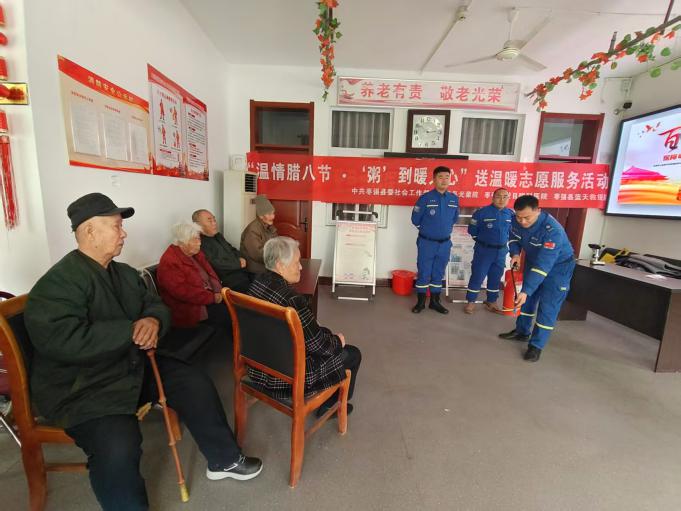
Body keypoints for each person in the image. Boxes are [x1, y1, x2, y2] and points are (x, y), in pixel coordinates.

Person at [24, 193, 262, 511]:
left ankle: (224, 460)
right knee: (118, 444)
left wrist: (152, 320)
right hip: (84, 387)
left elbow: (156, 305)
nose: (124, 233)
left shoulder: (123, 274)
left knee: (193, 382)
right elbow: (61, 339)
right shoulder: (57, 284)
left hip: (130, 365)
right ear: (90, 231)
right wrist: (131, 331)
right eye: (116, 226)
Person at [248, 236, 361, 417]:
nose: (300, 267)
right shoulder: (292, 299)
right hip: (287, 377)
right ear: (280, 266)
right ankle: (331, 406)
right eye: (296, 262)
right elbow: (319, 346)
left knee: (323, 334)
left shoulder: (256, 283)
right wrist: (337, 342)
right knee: (352, 354)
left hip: (257, 368)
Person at [498, 195, 576, 362]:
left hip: (558, 267)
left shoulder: (552, 231)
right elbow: (513, 237)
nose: (522, 221)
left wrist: (526, 290)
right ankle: (522, 332)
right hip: (533, 261)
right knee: (527, 301)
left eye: (527, 217)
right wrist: (516, 254)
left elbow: (544, 265)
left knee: (548, 306)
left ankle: (536, 346)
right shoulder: (516, 220)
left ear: (538, 211)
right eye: (519, 217)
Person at [157, 222, 230, 329]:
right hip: (191, 308)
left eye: (199, 238)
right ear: (182, 242)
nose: (199, 243)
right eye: (195, 239)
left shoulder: (195, 253)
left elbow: (211, 274)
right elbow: (183, 292)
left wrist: (219, 291)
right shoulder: (170, 262)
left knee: (236, 308)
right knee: (228, 316)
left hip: (208, 297)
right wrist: (212, 297)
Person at [410, 166, 460, 314]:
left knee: (438, 272)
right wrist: (429, 231)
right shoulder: (425, 198)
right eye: (440, 177)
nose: (444, 180)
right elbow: (415, 219)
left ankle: (434, 302)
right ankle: (420, 303)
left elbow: (454, 218)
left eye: (447, 177)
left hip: (445, 243)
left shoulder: (454, 199)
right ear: (433, 179)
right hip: (427, 243)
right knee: (424, 272)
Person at [464, 188, 514, 314]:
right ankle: (471, 301)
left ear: (508, 199)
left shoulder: (511, 214)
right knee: (478, 276)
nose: (501, 199)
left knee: (495, 277)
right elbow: (472, 231)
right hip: (484, 251)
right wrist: (483, 242)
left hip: (501, 252)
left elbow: (513, 233)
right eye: (498, 196)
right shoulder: (482, 212)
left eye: (505, 197)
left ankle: (492, 301)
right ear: (492, 198)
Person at [193, 209, 250, 293]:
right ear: (198, 225)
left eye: (214, 219)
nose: (214, 223)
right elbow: (214, 264)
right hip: (229, 280)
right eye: (209, 221)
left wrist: (240, 257)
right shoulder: (199, 242)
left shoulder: (218, 235)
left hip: (241, 272)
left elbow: (232, 249)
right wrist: (238, 264)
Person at [240, 195, 277, 275]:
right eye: (269, 214)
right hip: (255, 271)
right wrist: (277, 257)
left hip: (267, 266)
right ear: (261, 216)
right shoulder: (252, 230)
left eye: (273, 213)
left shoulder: (269, 226)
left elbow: (276, 243)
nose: (273, 216)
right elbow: (258, 255)